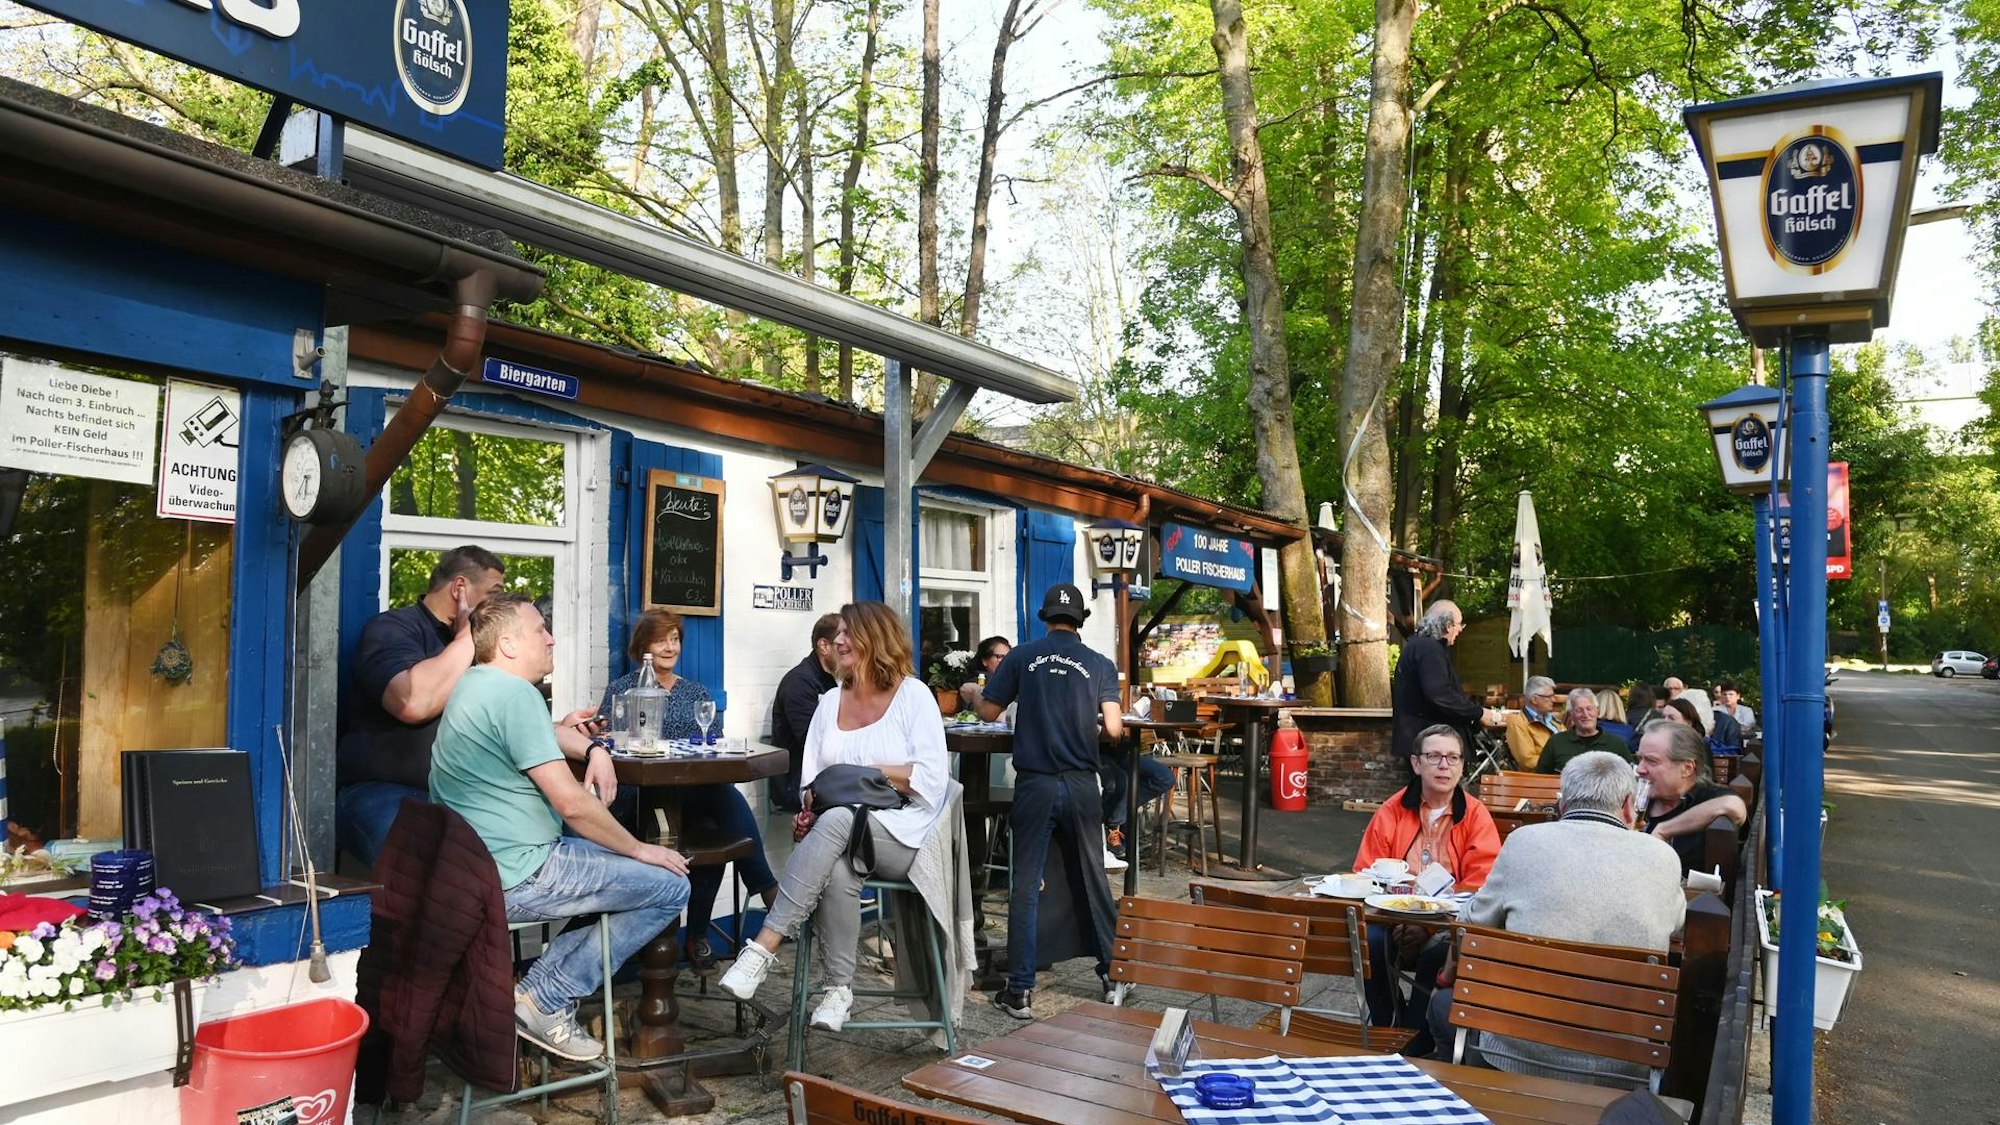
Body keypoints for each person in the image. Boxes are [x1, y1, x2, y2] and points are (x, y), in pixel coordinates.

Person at [430, 594, 691, 1061]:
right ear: (507, 644)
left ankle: (537, 993)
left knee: (626, 876)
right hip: (521, 873)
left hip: (477, 868)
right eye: (539, 631)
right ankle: (544, 999)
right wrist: (638, 849)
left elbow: (550, 731)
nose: (551, 638)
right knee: (669, 884)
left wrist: (595, 750)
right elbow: (571, 804)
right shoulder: (514, 695)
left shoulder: (475, 685)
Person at [717, 602, 954, 1034]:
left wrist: (866, 776)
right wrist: (811, 808)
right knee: (840, 866)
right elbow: (811, 783)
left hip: (905, 833)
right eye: (839, 634)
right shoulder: (829, 703)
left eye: (849, 633)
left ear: (876, 640)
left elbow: (933, 782)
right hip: (842, 835)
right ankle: (839, 991)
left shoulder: (913, 695)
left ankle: (764, 947)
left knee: (842, 819)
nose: (839, 641)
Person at [1426, 751, 1686, 1086]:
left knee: (1442, 1005)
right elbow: (1676, 923)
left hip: (1517, 1051)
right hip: (1625, 1062)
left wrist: (1444, 979)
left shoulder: (1524, 842)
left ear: (1562, 804)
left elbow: (1471, 923)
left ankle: (1473, 1095)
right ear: (1627, 806)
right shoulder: (1662, 857)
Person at [976, 583, 1123, 1020]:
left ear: (1045, 617)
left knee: (1026, 885)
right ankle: (1112, 975)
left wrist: (974, 695)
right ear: (1080, 621)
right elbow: (1114, 729)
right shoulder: (1099, 664)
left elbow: (988, 712)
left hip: (1035, 783)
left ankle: (1019, 990)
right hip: (1080, 784)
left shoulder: (1022, 656)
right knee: (1092, 876)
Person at [599, 609, 777, 969]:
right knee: (722, 802)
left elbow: (713, 742)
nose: (670, 647)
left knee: (714, 823)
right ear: (644, 646)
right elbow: (608, 741)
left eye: (675, 639)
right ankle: (768, 888)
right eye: (661, 639)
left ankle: (696, 935)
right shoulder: (624, 689)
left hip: (692, 794)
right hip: (642, 798)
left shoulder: (694, 690)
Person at [336, 545, 507, 868]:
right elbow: (413, 701)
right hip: (383, 790)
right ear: (460, 589)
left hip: (462, 793)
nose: (498, 605)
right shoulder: (392, 629)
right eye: (494, 593)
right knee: (423, 864)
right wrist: (469, 635)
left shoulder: (482, 648)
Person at [1351, 724, 1500, 1055]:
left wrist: (1427, 924)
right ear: (1417, 764)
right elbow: (1365, 872)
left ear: (1462, 766)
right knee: (1369, 942)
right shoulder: (1392, 810)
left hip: (1445, 926)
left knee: (1437, 953)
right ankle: (1387, 1023)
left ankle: (1416, 1040)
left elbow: (1483, 883)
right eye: (1434, 756)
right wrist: (1399, 916)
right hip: (1390, 918)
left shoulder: (1476, 815)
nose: (1444, 765)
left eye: (1452, 757)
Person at [1390, 601, 1504, 768]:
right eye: (1459, 624)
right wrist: (1478, 713)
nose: (1460, 630)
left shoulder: (1417, 646)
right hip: (1434, 746)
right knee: (1438, 792)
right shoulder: (1430, 650)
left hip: (1423, 743)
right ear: (1448, 625)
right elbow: (1439, 694)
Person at [1635, 722, 1747, 876]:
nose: (1640, 769)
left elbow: (1733, 805)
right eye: (1639, 759)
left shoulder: (1706, 797)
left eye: (1651, 761)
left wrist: (1663, 830)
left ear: (1687, 768)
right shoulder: (1637, 798)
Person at [768, 613, 843, 813]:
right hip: (797, 782)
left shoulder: (836, 680)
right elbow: (813, 743)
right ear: (824, 646)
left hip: (829, 775)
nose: (849, 650)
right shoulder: (799, 682)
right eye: (842, 644)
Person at [1538, 688, 1634, 772]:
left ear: (1597, 711)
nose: (1585, 714)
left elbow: (1632, 776)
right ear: (1571, 715)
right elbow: (1540, 778)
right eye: (1579, 710)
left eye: (1589, 709)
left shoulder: (1616, 744)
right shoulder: (1556, 743)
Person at [1503, 676, 1564, 771]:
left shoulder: (1552, 720)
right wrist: (1561, 761)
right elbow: (1527, 762)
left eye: (1553, 696)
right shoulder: (1518, 723)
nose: (1554, 700)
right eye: (1549, 697)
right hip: (1542, 778)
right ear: (1535, 700)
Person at [959, 635, 1012, 711]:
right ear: (984, 661)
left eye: (1008, 657)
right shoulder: (976, 682)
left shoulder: (1014, 680)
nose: (1005, 661)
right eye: (1000, 657)